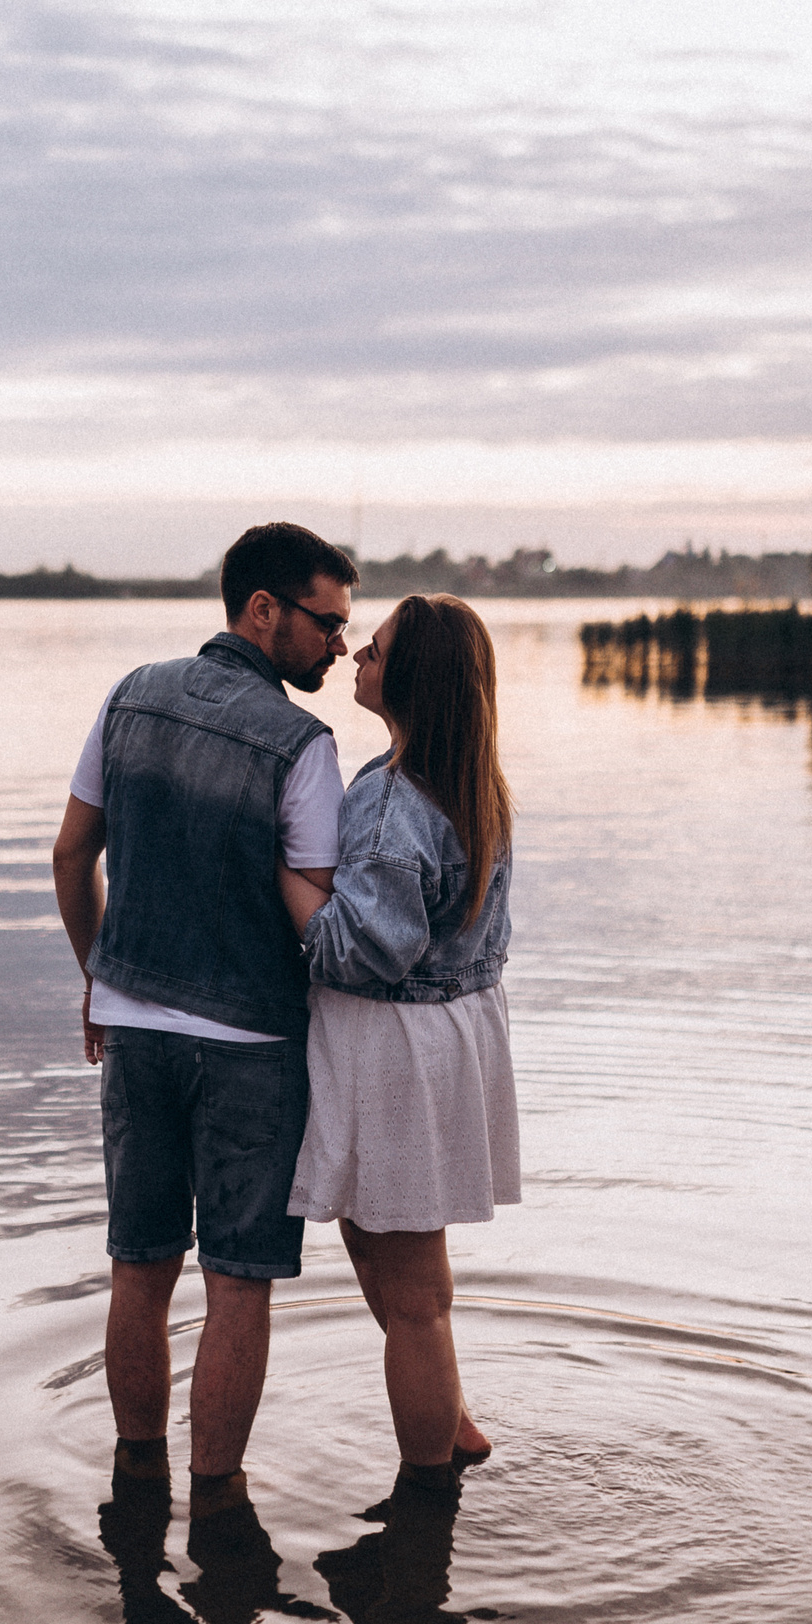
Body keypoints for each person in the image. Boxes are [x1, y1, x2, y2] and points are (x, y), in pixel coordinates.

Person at [51, 522, 361, 1518]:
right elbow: (310, 910)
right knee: (238, 1282)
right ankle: (218, 1504)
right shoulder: (304, 746)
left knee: (137, 1269)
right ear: (261, 609)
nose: (339, 646)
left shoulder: (127, 696)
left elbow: (70, 855)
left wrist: (99, 976)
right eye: (325, 623)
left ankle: (135, 1483)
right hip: (253, 1046)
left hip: (133, 1029)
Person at [275, 592, 518, 1505]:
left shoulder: (386, 798)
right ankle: (448, 1416)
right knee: (382, 1244)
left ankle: (427, 1498)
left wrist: (284, 874)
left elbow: (355, 951)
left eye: (372, 653)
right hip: (454, 1035)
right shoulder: (476, 784)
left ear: (409, 679)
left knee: (411, 1287)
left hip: (395, 1045)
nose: (355, 660)